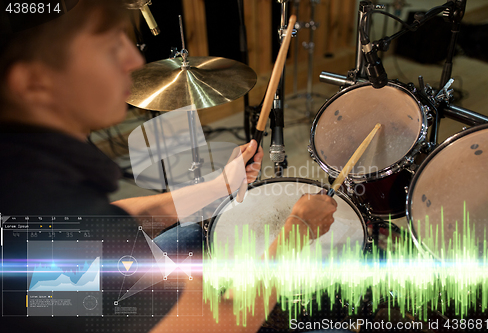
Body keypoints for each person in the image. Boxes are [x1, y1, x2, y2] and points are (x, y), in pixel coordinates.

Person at [0, 1, 338, 332]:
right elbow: (228, 324)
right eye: (109, 46)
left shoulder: (27, 173)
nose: (134, 60)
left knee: (201, 232)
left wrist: (218, 186)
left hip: (116, 290)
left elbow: (109, 219)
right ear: (33, 82)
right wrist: (299, 229)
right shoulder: (40, 217)